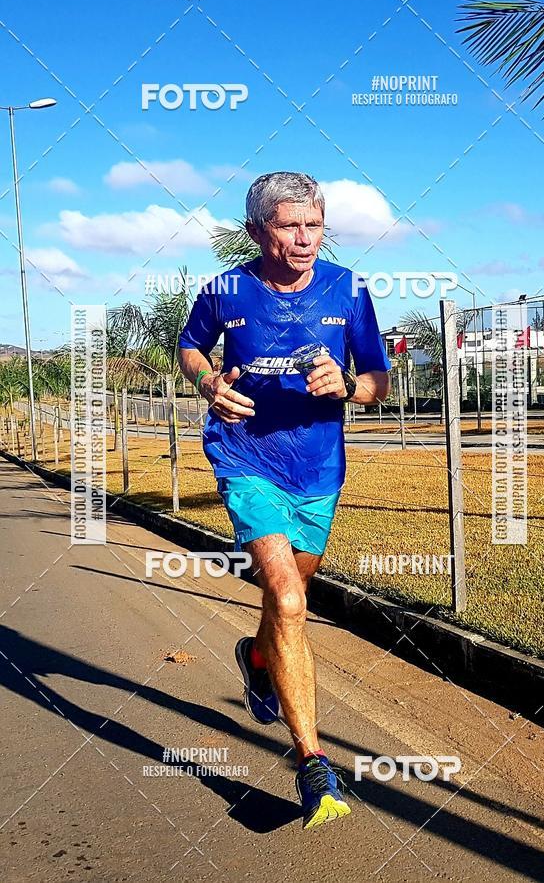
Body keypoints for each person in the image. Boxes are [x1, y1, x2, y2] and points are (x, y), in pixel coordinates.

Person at [178, 171, 391, 829]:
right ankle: (313, 764)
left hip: (318, 470)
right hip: (245, 459)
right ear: (256, 231)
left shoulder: (348, 289)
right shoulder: (225, 290)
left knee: (286, 597)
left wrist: (348, 386)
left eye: (314, 225)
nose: (304, 239)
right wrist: (209, 384)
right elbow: (189, 346)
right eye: (289, 225)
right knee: (291, 601)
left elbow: (377, 381)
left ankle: (258, 655)